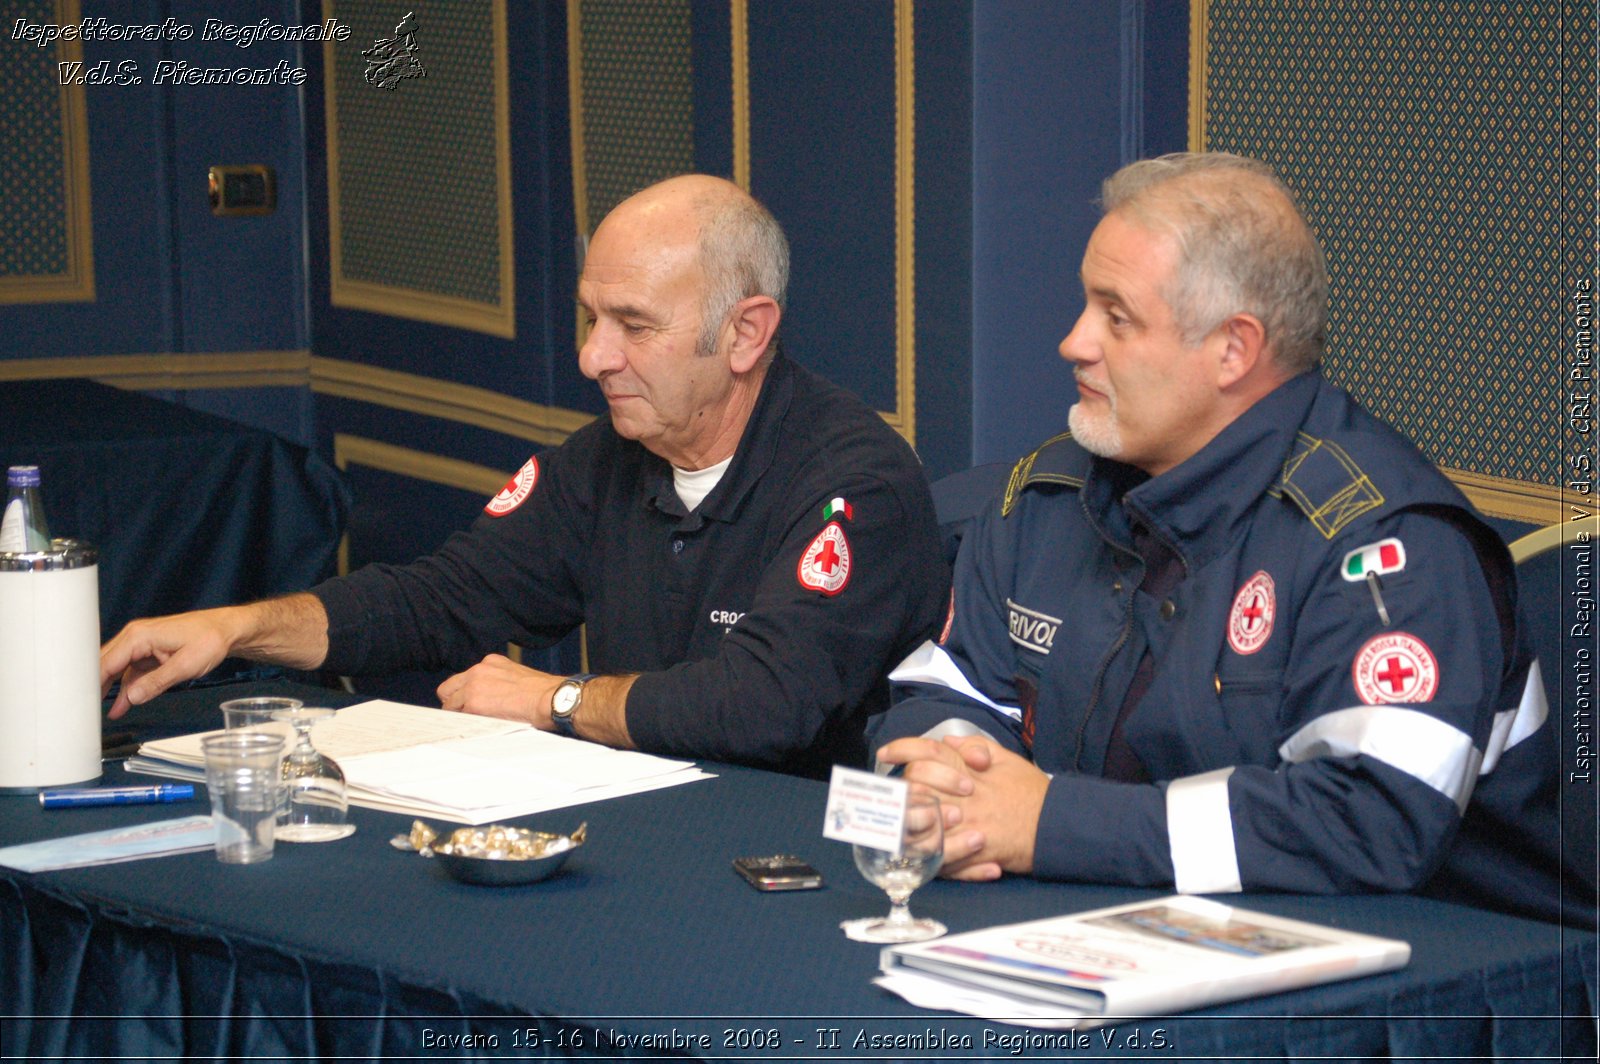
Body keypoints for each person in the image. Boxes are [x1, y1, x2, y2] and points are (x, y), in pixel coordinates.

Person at [874, 152, 1587, 928]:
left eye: (1116, 317)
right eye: (1087, 305)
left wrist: (1048, 822)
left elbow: (1371, 819)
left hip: (1434, 982)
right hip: (1101, 936)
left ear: (1233, 350)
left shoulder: (1385, 541)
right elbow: (944, 686)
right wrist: (953, 786)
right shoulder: (1046, 493)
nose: (1073, 342)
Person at [101, 174, 949, 778]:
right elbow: (440, 600)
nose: (592, 357)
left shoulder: (854, 481)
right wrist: (238, 626)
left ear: (745, 334)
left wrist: (558, 702)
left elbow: (765, 703)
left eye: (634, 325)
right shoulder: (606, 459)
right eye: (590, 317)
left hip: (795, 866)